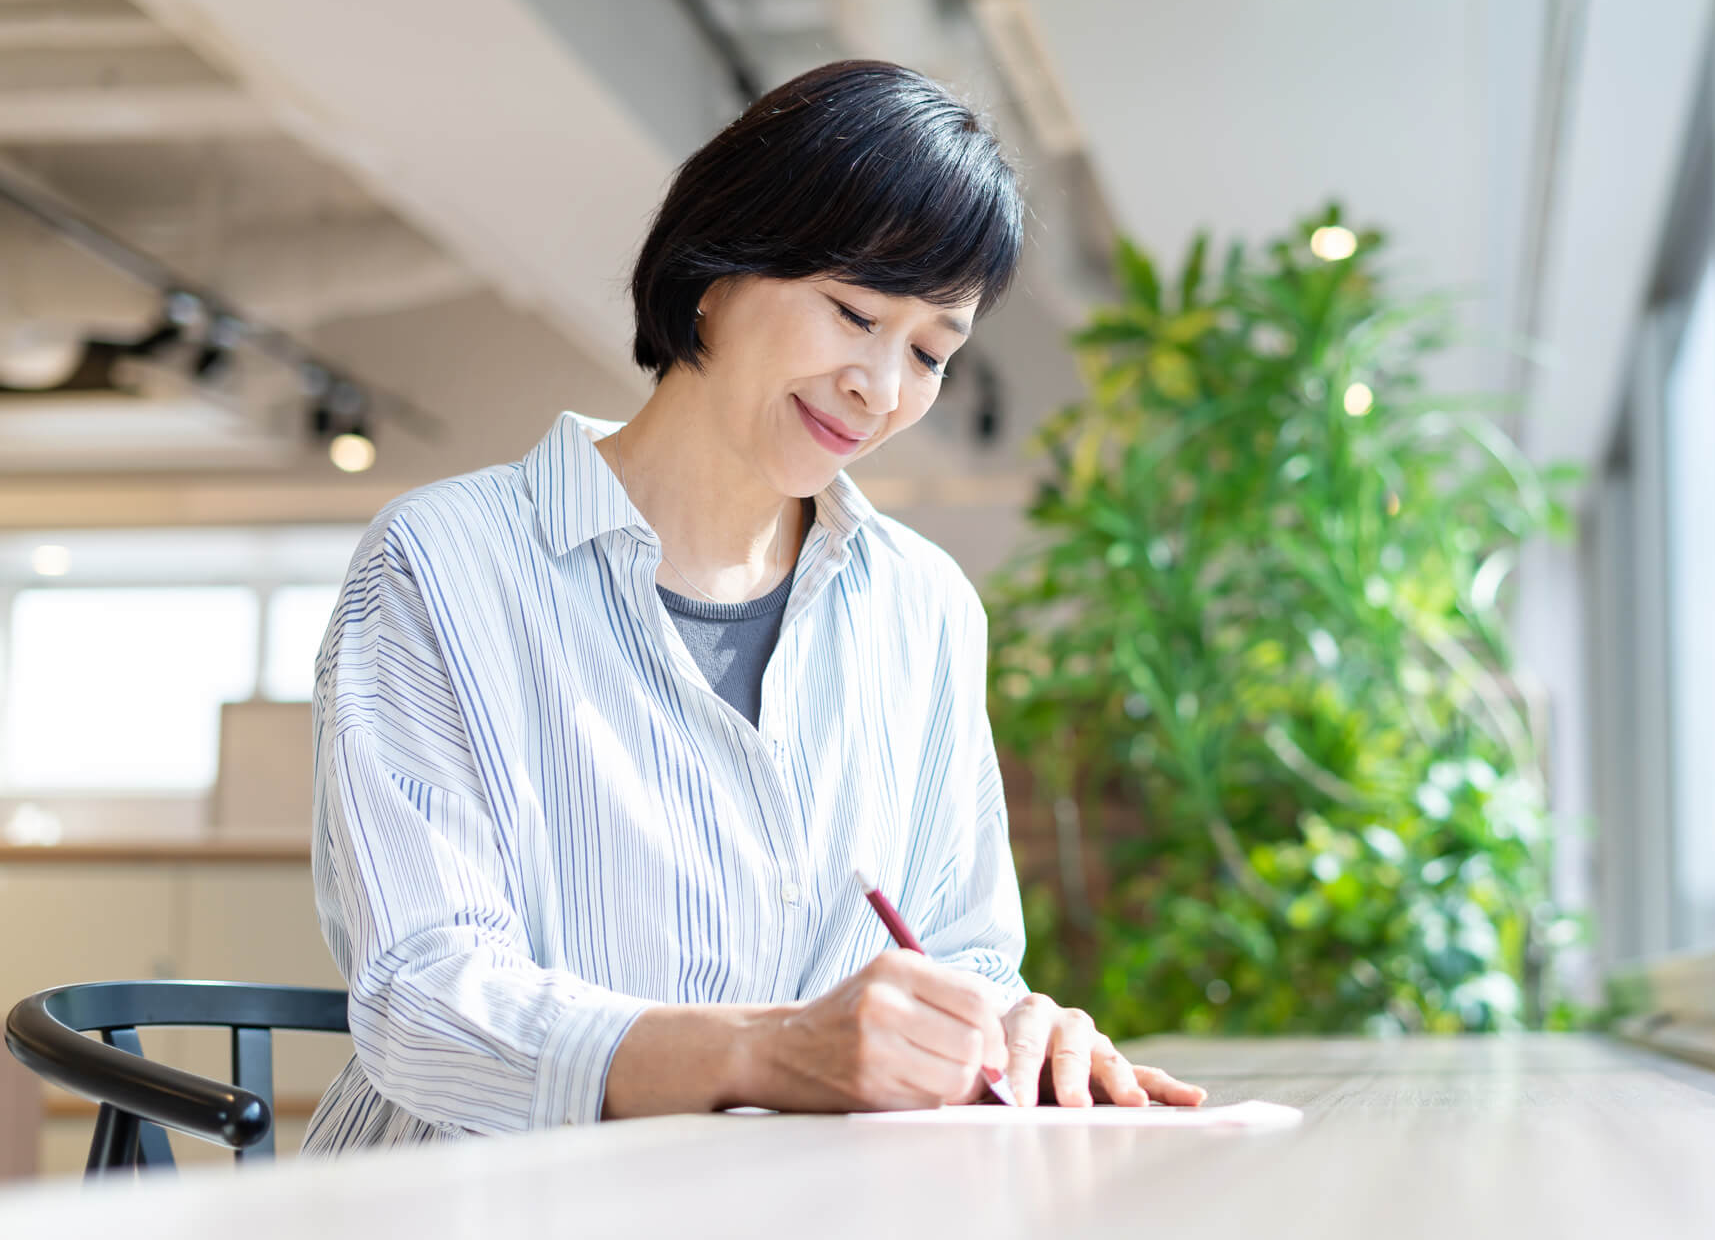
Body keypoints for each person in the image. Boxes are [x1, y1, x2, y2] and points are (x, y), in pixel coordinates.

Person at [302, 59, 1205, 1151]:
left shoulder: (921, 607)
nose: (881, 385)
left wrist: (1004, 1025)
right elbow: (426, 1001)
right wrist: (768, 1052)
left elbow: (959, 949)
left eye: (929, 351)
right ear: (715, 272)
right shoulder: (444, 563)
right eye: (853, 311)